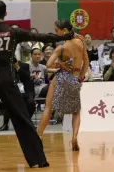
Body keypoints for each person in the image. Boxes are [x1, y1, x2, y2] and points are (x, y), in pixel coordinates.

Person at [0, 0, 78, 171]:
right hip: (7, 80)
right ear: (5, 14)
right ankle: (38, 160)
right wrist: (65, 36)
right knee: (23, 120)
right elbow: (42, 37)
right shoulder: (13, 32)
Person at [37, 20, 89, 151]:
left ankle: (39, 135)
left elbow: (48, 65)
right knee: (76, 111)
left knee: (49, 107)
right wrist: (81, 77)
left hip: (61, 78)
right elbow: (86, 62)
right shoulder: (81, 42)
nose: (56, 33)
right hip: (75, 78)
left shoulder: (61, 48)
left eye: (56, 30)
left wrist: (60, 64)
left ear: (64, 31)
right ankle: (74, 137)